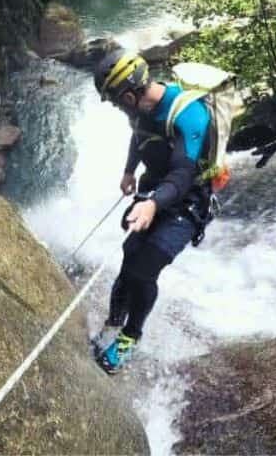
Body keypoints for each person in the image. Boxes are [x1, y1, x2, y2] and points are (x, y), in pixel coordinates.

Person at [91, 48, 213, 374]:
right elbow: (138, 134)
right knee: (130, 251)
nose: (118, 108)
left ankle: (130, 337)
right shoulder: (140, 108)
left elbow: (183, 174)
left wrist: (153, 204)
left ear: (130, 95)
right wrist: (129, 170)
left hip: (187, 200)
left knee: (145, 268)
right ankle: (115, 319)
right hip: (153, 189)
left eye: (117, 101)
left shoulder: (189, 115)